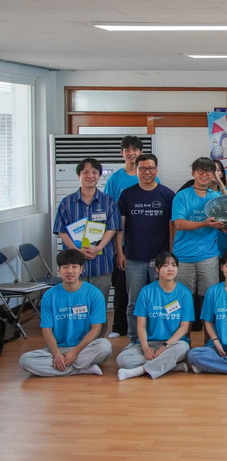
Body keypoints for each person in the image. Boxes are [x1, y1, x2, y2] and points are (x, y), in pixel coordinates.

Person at [19, 249, 112, 377]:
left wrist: (75, 352)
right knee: (25, 360)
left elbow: (96, 328)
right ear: (59, 270)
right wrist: (56, 354)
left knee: (105, 346)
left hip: (84, 347)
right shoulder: (49, 296)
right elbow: (46, 329)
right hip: (57, 348)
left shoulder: (94, 294)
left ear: (81, 269)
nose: (70, 271)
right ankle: (82, 368)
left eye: (74, 267)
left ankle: (64, 367)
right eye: (65, 267)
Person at [115, 153, 175, 342]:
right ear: (136, 170)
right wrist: (120, 252)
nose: (146, 172)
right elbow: (120, 227)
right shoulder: (127, 194)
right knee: (134, 302)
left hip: (160, 260)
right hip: (134, 258)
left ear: (156, 170)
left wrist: (170, 256)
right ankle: (134, 339)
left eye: (150, 168)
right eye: (142, 168)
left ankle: (158, 338)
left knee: (160, 301)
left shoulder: (167, 194)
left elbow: (172, 227)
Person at [52, 157, 120, 322]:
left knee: (99, 306)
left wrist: (98, 248)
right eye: (86, 172)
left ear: (99, 176)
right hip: (74, 265)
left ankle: (98, 338)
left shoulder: (109, 202)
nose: (90, 176)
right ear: (79, 175)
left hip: (101, 263)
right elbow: (61, 230)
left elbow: (112, 228)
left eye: (94, 172)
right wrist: (76, 251)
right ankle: (76, 336)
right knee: (75, 307)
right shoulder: (67, 203)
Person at [116, 252, 192, 381]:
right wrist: (145, 348)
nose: (170, 269)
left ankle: (140, 370)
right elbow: (141, 326)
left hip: (172, 344)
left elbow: (184, 327)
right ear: (157, 269)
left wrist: (165, 346)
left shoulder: (184, 293)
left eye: (174, 265)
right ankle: (170, 366)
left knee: (183, 348)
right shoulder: (146, 291)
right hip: (150, 343)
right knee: (122, 359)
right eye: (165, 265)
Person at [172, 157, 226, 327]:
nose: (204, 175)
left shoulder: (215, 197)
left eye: (208, 171)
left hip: (209, 256)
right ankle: (183, 339)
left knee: (209, 300)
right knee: (183, 300)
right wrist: (205, 223)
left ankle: (210, 340)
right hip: (184, 256)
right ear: (193, 173)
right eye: (200, 171)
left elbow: (225, 218)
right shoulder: (182, 196)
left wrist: (224, 227)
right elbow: (179, 224)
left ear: (213, 175)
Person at [104, 135, 146, 339]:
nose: (131, 153)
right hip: (121, 240)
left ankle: (144, 328)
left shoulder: (149, 176)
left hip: (143, 240)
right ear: (122, 153)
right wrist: (115, 245)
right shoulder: (115, 179)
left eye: (135, 150)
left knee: (143, 288)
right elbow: (108, 208)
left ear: (140, 152)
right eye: (127, 150)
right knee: (121, 285)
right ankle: (118, 327)